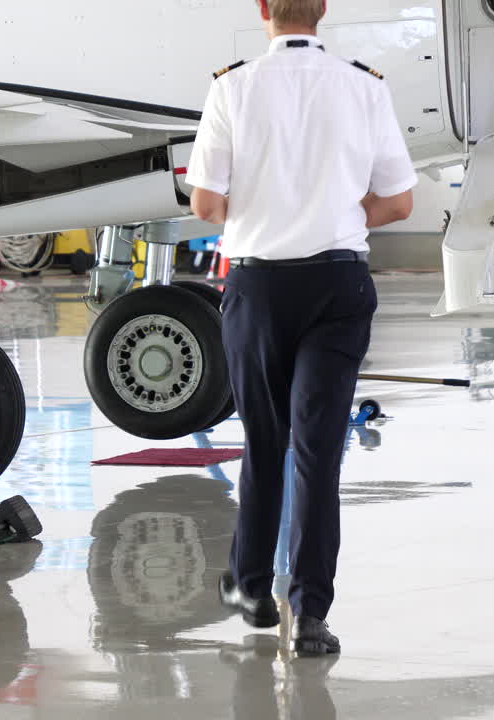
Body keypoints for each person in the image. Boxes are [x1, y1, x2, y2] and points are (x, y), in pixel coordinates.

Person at [186, 0, 417, 656]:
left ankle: (250, 586)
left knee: (265, 440)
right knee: (317, 452)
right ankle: (311, 615)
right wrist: (335, 213)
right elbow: (400, 200)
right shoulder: (364, 86)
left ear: (263, 9)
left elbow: (206, 202)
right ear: (323, 10)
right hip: (339, 286)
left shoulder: (232, 86)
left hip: (259, 287)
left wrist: (263, 210)